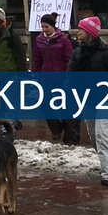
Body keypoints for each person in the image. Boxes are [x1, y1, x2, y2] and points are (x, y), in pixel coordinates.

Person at [71, 17, 108, 185]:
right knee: (95, 137)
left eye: (81, 29)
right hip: (88, 101)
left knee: (103, 134)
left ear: (89, 32)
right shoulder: (77, 53)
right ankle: (107, 163)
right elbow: (70, 76)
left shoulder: (107, 53)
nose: (77, 31)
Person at [32, 13, 77, 144]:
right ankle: (56, 130)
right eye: (42, 27)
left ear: (52, 26)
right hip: (45, 78)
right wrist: (35, 75)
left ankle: (70, 136)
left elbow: (69, 60)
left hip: (61, 78)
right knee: (46, 105)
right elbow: (37, 59)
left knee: (65, 107)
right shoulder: (39, 40)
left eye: (46, 26)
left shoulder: (63, 40)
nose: (44, 29)